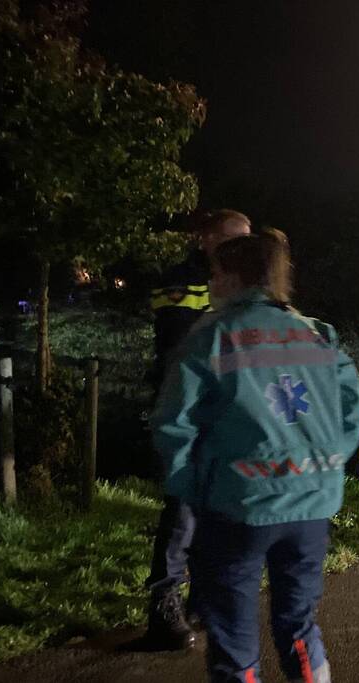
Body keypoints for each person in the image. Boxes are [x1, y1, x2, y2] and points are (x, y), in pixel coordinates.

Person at [152, 230, 359, 682]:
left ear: (232, 278)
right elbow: (352, 412)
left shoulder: (212, 336)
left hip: (237, 507)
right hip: (312, 504)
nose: (210, 284)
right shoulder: (318, 334)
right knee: (299, 624)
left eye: (215, 274)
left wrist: (194, 488)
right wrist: (325, 466)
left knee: (233, 637)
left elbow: (174, 424)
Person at [144, 209, 251, 650]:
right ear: (205, 239)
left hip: (229, 409)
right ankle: (164, 605)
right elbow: (180, 346)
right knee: (184, 506)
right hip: (191, 408)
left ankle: (203, 600)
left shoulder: (241, 285)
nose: (241, 248)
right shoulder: (181, 281)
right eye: (232, 239)